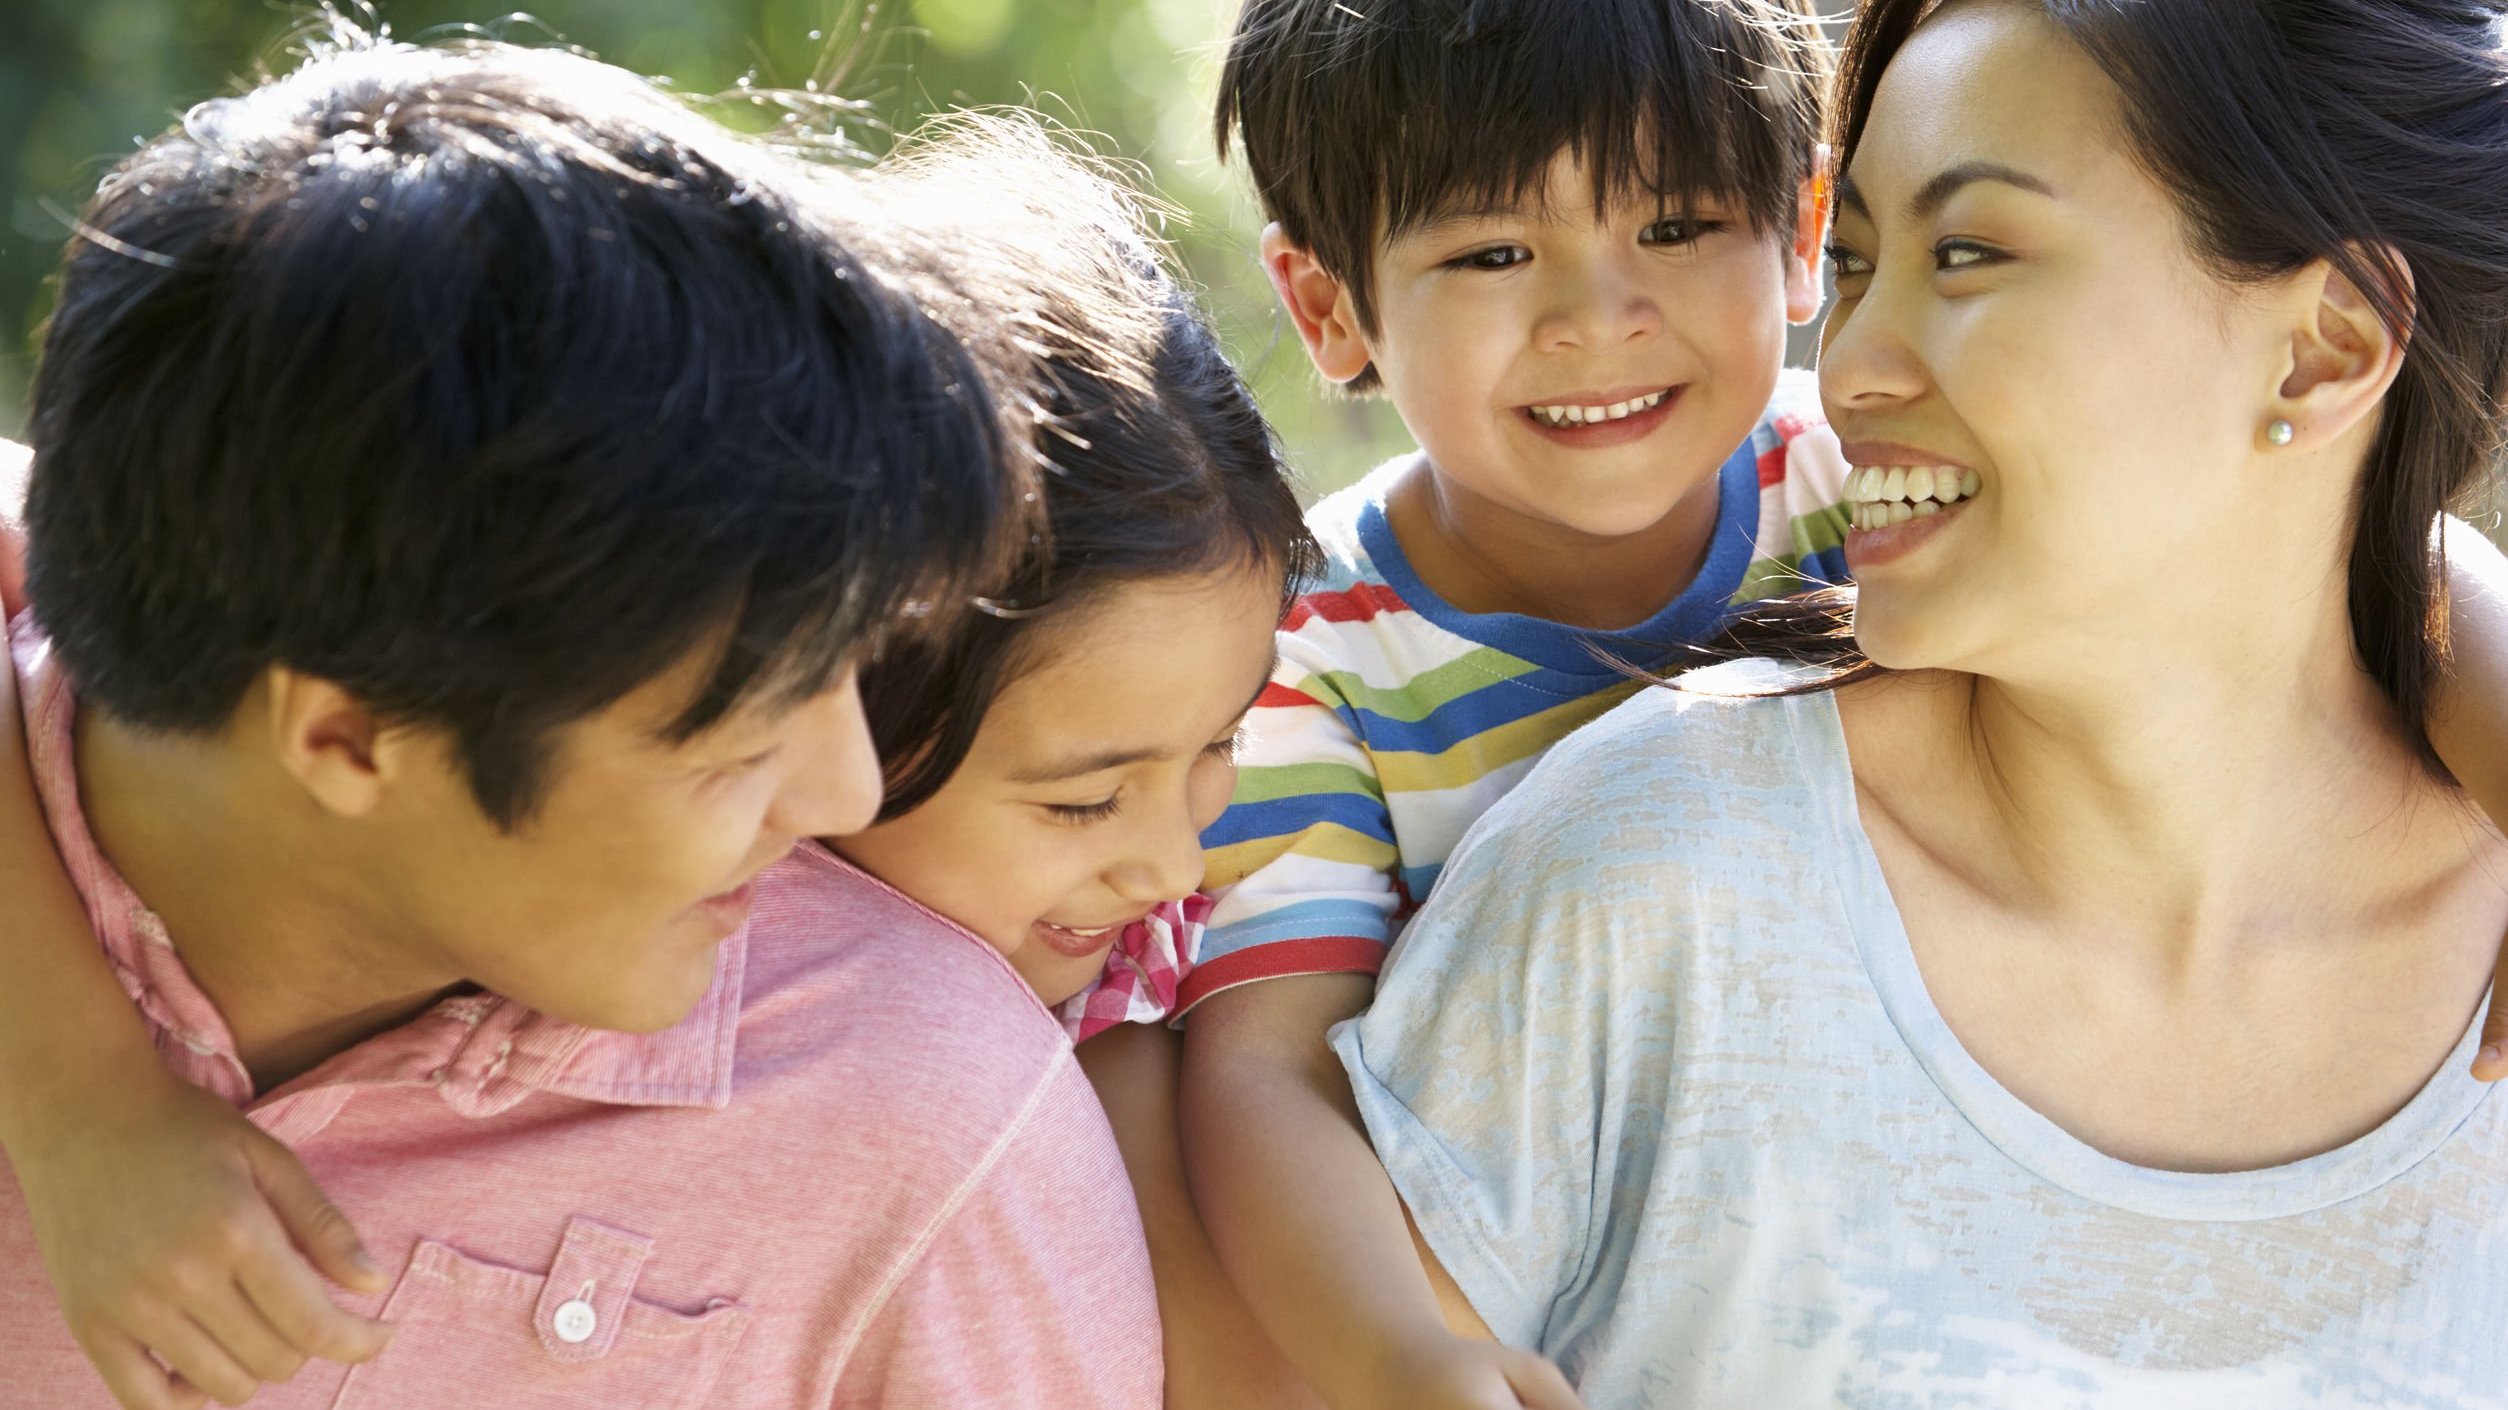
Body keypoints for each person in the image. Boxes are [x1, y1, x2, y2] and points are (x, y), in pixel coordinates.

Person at [1332, 0, 2508, 1403]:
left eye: (1968, 252)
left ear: (2322, 348)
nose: (1848, 368)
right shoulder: (1653, 888)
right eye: (1857, 263)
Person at [0, 27, 1164, 1410]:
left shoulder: (939, 1120)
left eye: (853, 666)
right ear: (349, 740)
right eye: (739, 744)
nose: (849, 796)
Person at [1175, 3, 1846, 1405]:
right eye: (1493, 252)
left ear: (1800, 227)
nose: (1598, 319)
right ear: (1330, 308)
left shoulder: (1867, 487)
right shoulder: (1310, 654)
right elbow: (1268, 1066)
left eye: (1674, 227)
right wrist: (1395, 1352)